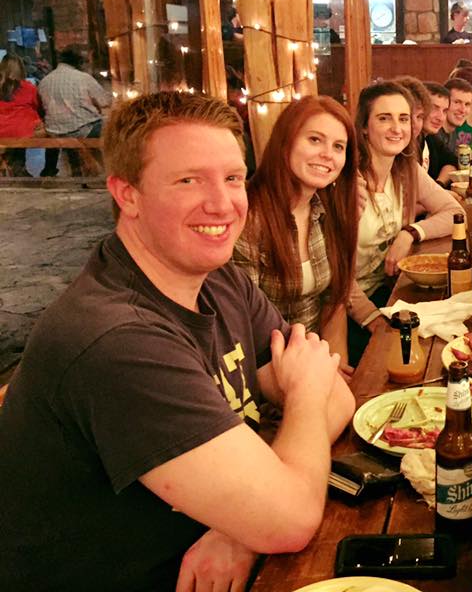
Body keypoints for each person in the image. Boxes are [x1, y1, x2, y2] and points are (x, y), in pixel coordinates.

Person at [0, 91, 354, 589]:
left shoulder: (220, 279)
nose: (223, 203)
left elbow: (337, 396)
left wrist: (238, 526)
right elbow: (291, 517)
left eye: (233, 178)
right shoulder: (117, 340)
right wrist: (267, 497)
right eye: (189, 180)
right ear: (127, 194)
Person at [233, 96, 358, 367]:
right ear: (285, 141)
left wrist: (336, 366)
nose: (328, 154)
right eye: (315, 140)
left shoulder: (328, 210)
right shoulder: (249, 218)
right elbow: (243, 327)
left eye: (338, 146)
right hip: (267, 369)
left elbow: (334, 303)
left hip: (318, 360)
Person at [346, 82, 461, 364]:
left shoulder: (405, 167)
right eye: (384, 118)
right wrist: (373, 320)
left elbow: (455, 212)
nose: (396, 128)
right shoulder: (348, 180)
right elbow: (336, 275)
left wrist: (411, 233)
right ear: (364, 127)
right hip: (349, 309)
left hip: (389, 291)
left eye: (404, 119)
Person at [36, 45, 113, 177]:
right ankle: (106, 169)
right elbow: (105, 101)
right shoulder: (83, 78)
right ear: (79, 62)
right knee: (111, 126)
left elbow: (42, 109)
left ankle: (50, 169)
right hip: (83, 129)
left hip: (55, 131)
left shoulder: (44, 81)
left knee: (60, 129)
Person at [0, 54, 42, 177]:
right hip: (23, 130)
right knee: (24, 130)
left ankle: (10, 165)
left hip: (2, 128)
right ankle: (18, 167)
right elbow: (37, 105)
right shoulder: (29, 87)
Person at [421, 81, 458, 185]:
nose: (440, 117)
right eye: (434, 108)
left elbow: (451, 161)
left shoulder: (431, 138)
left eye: (444, 111)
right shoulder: (406, 144)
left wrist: (439, 184)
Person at [442, 77, 472, 150]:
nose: (463, 110)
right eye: (457, 102)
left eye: (467, 104)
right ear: (444, 102)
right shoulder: (433, 136)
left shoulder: (452, 133)